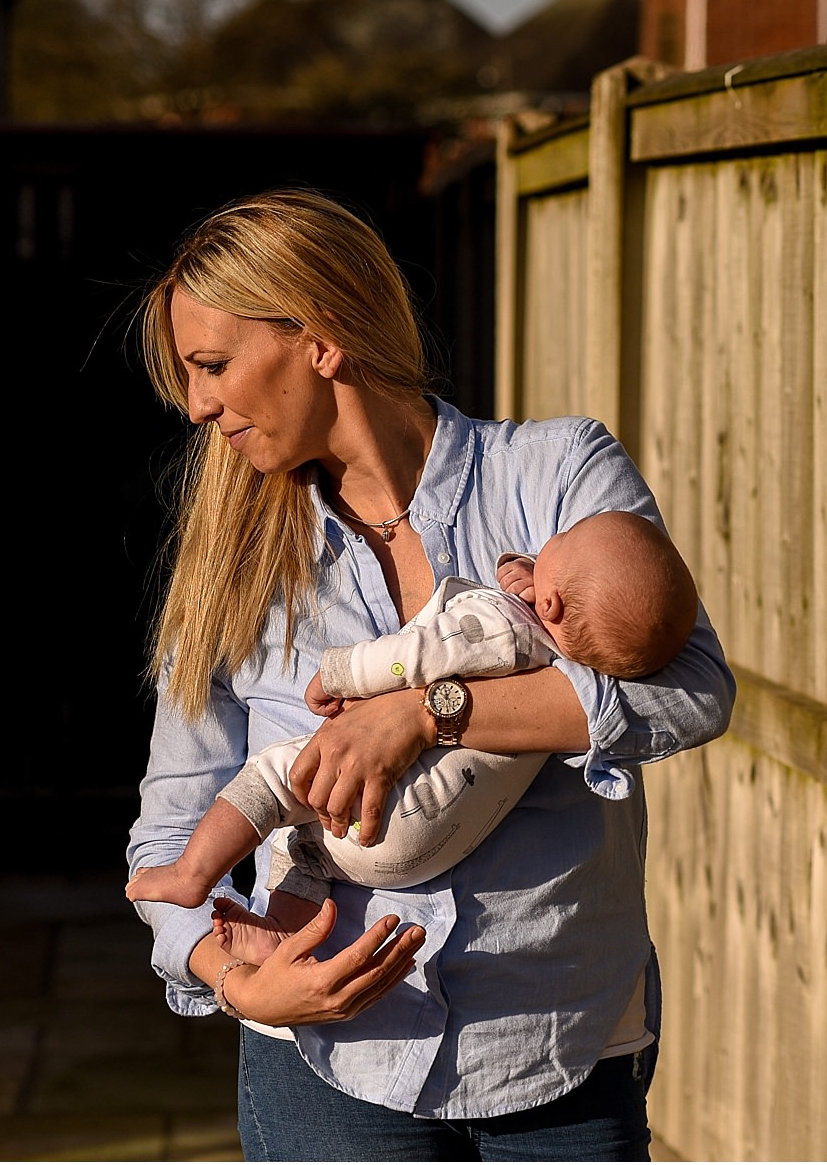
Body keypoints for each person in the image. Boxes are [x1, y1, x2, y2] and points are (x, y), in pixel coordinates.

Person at [126, 187, 735, 1162]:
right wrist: (233, 976)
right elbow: (168, 826)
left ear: (320, 336)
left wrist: (430, 711)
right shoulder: (230, 562)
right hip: (321, 1062)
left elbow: (689, 690)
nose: (198, 404)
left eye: (213, 365)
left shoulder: (551, 472)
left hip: (557, 1043)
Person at [123, 509, 700, 921]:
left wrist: (343, 673)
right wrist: (538, 577)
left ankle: (194, 870)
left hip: (398, 810)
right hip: (432, 841)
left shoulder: (501, 625)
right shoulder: (568, 667)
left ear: (546, 604)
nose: (554, 535)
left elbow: (417, 657)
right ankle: (284, 933)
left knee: (278, 778)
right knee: (304, 847)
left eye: (564, 537)